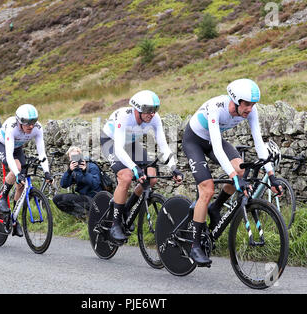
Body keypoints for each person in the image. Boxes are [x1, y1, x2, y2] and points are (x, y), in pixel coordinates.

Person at [182, 78, 283, 266]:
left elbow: (259, 144)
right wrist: (233, 179)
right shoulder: (216, 107)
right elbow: (218, 150)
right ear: (236, 101)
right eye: (246, 105)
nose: (250, 109)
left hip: (214, 141)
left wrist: (272, 176)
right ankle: (195, 245)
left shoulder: (250, 112)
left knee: (241, 169)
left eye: (253, 105)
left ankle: (215, 207)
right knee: (207, 189)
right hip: (194, 141)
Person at [101, 90, 183, 243]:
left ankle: (125, 208)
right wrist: (134, 168)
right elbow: (118, 148)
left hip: (130, 143)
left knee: (151, 177)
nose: (152, 114)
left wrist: (173, 167)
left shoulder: (154, 118)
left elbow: (164, 146)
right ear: (137, 108)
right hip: (111, 142)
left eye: (155, 110)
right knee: (126, 177)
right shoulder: (124, 116)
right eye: (148, 110)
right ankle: (115, 223)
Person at [0, 104, 52, 237]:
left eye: (33, 122)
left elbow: (42, 154)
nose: (31, 126)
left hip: (17, 148)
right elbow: (9, 155)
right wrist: (17, 173)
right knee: (17, 168)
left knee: (21, 185)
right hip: (1, 145)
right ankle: (2, 197)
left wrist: (47, 172)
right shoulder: (11, 127)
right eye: (27, 123)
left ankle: (13, 219)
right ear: (19, 121)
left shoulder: (38, 128)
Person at [53, 146, 102, 218]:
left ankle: (89, 215)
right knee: (56, 199)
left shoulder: (91, 166)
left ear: (81, 156)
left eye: (76, 156)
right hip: (82, 197)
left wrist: (85, 172)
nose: (75, 159)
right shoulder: (74, 170)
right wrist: (69, 171)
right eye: (72, 157)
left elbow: (95, 184)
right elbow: (63, 185)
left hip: (94, 198)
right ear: (70, 158)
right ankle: (82, 216)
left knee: (67, 198)